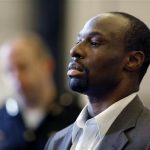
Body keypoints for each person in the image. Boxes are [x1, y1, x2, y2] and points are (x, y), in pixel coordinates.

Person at [45, 12, 150, 150]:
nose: (74, 50)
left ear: (133, 61)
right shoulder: (57, 142)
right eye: (78, 41)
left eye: (94, 43)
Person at [0, 33, 80, 150]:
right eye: (9, 71)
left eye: (23, 67)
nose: (16, 77)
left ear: (47, 65)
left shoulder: (76, 117)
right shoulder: (3, 117)